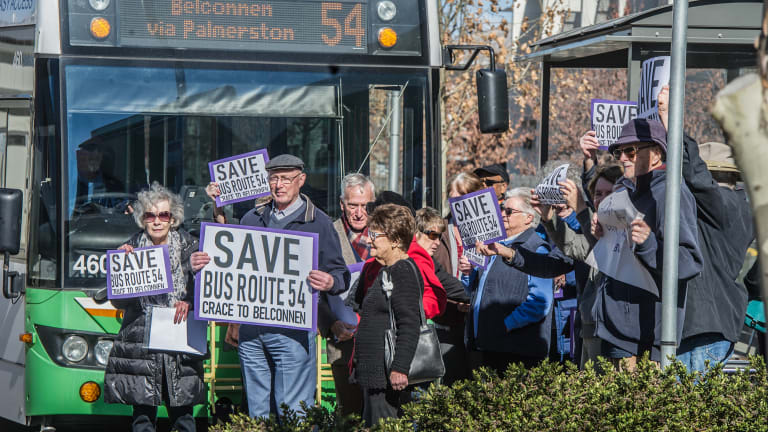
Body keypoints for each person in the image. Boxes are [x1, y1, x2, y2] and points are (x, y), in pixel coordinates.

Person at [192, 154, 350, 419]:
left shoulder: (319, 222)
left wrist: (330, 281)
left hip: (293, 333)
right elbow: (234, 261)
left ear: (301, 180)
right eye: (274, 178)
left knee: (293, 412)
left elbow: (341, 274)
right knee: (257, 413)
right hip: (252, 333)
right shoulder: (252, 218)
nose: (279, 185)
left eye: (286, 179)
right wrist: (207, 253)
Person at [656, 86, 755, 372]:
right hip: (711, 323)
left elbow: (695, 175)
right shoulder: (735, 206)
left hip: (704, 326)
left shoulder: (724, 205)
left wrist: (669, 119)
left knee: (686, 408)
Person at [595, 118, 702, 367]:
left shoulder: (669, 193)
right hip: (614, 330)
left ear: (655, 154)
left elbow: (689, 262)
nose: (622, 158)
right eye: (618, 152)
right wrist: (601, 231)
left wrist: (649, 243)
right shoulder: (623, 193)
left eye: (630, 151)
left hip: (644, 340)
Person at [104, 183, 204, 432]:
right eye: (150, 215)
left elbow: (209, 292)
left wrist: (189, 300)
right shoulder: (130, 249)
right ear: (142, 219)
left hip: (180, 341)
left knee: (183, 415)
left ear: (173, 219)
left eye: (164, 215)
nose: (157, 221)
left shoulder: (192, 247)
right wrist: (120, 269)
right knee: (142, 417)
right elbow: (117, 302)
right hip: (141, 344)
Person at [350, 204, 422, 426]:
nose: (369, 239)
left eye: (375, 235)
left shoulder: (402, 271)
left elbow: (409, 323)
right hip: (375, 376)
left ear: (396, 240)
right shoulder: (387, 270)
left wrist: (399, 368)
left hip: (387, 378)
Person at [469, 188, 554, 373]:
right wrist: (470, 272)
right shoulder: (497, 245)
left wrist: (506, 325)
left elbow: (540, 302)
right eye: (501, 208)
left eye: (509, 211)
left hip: (518, 351)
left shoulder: (536, 248)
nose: (502, 215)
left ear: (528, 218)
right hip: (489, 345)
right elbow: (482, 289)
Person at [320, 173, 375, 416]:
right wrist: (330, 324)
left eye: (365, 206)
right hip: (342, 342)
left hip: (378, 343)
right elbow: (313, 290)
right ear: (342, 204)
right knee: (350, 413)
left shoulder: (385, 234)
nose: (359, 212)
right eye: (353, 205)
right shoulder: (327, 233)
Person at [414, 207, 470, 384]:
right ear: (416, 233)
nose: (437, 242)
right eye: (432, 235)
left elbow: (451, 287)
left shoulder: (428, 261)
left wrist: (473, 300)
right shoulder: (410, 259)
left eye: (439, 236)